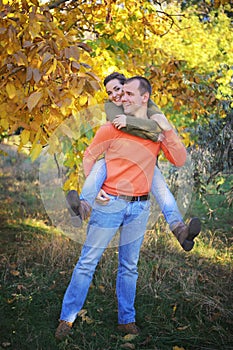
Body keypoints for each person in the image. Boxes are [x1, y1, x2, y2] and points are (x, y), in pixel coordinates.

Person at [55, 76, 187, 340]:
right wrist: (97, 190)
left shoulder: (154, 133)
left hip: (139, 208)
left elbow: (180, 160)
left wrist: (168, 131)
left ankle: (126, 320)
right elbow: (90, 155)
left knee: (129, 266)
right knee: (87, 263)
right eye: (119, 94)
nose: (121, 98)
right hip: (110, 204)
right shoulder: (112, 127)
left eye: (127, 93)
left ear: (144, 97)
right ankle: (66, 318)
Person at [67, 72, 201, 252]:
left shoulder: (147, 104)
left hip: (143, 166)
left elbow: (158, 123)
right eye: (109, 92)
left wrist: (159, 130)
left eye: (118, 89)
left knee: (163, 191)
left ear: (129, 88)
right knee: (100, 166)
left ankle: (180, 230)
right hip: (115, 161)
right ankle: (83, 207)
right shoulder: (112, 107)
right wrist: (148, 129)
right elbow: (128, 127)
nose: (114, 95)